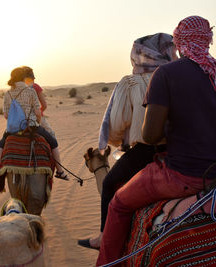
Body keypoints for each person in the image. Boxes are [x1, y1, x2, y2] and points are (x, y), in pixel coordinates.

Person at [96, 16, 216, 266]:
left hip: (184, 175)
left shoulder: (166, 74)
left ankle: (107, 263)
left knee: (118, 203)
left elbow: (149, 136)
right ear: (208, 40)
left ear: (179, 44)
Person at [78, 33, 178, 250]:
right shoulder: (181, 77)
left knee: (109, 184)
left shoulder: (132, 82)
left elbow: (117, 121)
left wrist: (117, 140)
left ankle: (105, 239)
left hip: (145, 151)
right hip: (184, 150)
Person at [0, 66, 68, 180]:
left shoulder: (7, 94)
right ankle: (60, 171)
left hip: (13, 130)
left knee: (1, 146)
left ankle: (0, 173)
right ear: (23, 78)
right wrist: (37, 123)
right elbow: (38, 112)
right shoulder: (30, 91)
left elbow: (6, 115)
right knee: (53, 143)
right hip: (31, 126)